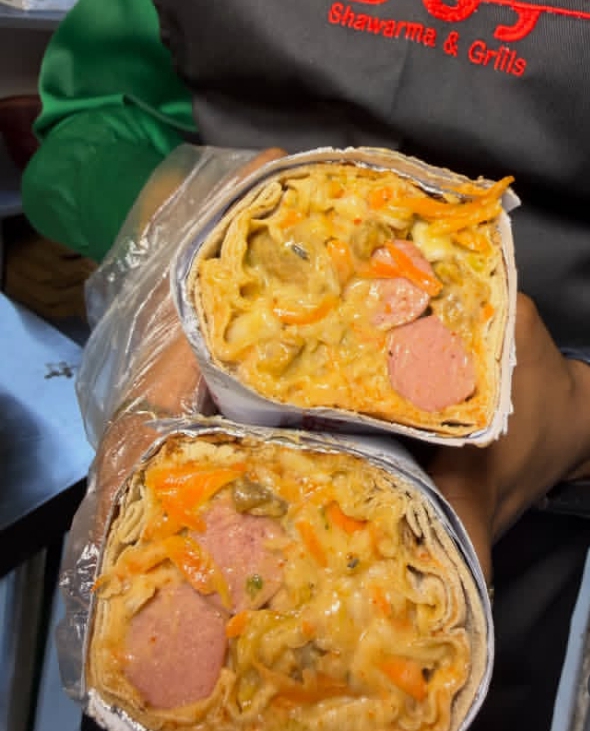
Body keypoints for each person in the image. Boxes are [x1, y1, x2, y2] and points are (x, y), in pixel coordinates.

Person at [23, 1, 590, 729]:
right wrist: (187, 230)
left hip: (520, 559)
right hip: (190, 548)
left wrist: (576, 418)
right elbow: (82, 134)